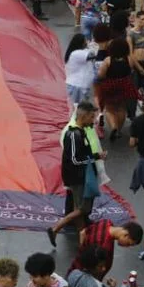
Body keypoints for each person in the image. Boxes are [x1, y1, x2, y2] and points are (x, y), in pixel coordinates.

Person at [51, 102, 103, 246]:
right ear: (84, 116)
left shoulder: (81, 132)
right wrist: (93, 158)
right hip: (77, 176)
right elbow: (75, 159)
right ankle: (56, 228)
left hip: (80, 175)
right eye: (92, 117)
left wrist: (96, 156)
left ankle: (83, 234)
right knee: (83, 208)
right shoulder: (74, 134)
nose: (93, 121)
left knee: (78, 207)